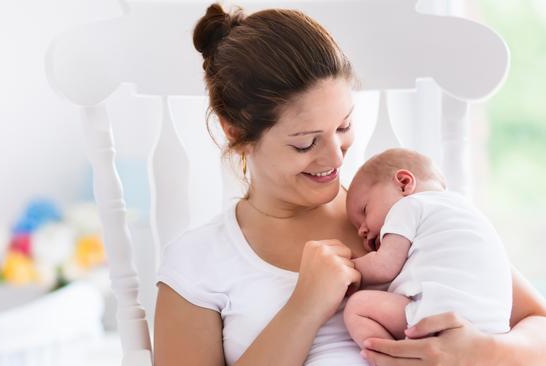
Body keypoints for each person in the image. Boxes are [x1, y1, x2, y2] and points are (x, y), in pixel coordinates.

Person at [154, 3, 546, 365]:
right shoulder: (197, 264)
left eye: (343, 126)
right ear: (235, 130)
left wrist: (486, 351)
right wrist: (304, 307)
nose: (336, 158)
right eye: (306, 143)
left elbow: (536, 322)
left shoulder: (396, 209)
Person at [342, 148, 512, 350]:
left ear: (404, 184)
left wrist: (344, 268)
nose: (361, 230)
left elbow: (384, 266)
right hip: (490, 329)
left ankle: (395, 358)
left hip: (438, 318)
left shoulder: (408, 206)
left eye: (364, 210)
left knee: (358, 307)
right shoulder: (466, 211)